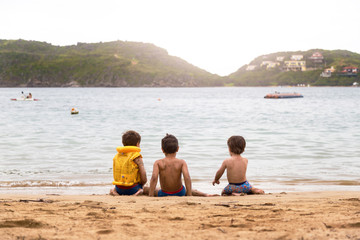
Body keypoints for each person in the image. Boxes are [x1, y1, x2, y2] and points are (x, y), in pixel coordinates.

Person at [149, 134, 215, 197]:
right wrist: (189, 194)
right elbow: (187, 177)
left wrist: (151, 195)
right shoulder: (181, 162)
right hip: (180, 192)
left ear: (162, 150)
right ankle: (205, 194)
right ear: (177, 149)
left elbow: (154, 177)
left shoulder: (158, 163)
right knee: (192, 190)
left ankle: (146, 193)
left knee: (147, 189)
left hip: (164, 193)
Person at [110, 130, 147, 196]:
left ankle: (114, 192)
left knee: (113, 189)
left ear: (123, 143)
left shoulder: (118, 156)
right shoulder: (136, 156)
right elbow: (143, 173)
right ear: (137, 144)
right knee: (145, 188)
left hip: (119, 188)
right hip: (133, 188)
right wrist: (143, 183)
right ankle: (138, 192)